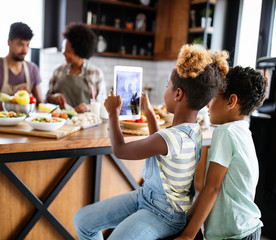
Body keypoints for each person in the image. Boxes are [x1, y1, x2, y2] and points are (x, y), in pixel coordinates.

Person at [73, 44, 229, 240]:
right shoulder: (193, 130)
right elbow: (162, 147)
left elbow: (120, 150)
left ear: (178, 94)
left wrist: (113, 113)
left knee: (95, 229)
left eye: (167, 87)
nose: (165, 91)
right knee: (82, 220)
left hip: (164, 215)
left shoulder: (173, 137)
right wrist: (148, 114)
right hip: (145, 197)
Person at [175, 66, 267, 240]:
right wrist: (187, 217)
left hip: (232, 234)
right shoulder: (243, 130)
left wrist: (188, 235)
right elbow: (211, 186)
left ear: (231, 101)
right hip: (248, 229)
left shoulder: (225, 132)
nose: (208, 104)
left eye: (214, 95)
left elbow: (212, 188)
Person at [0, 22, 43, 111]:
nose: (25, 50)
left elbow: (40, 104)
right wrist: (16, 99)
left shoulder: (33, 69)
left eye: (27, 45)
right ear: (9, 42)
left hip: (25, 124)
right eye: (20, 44)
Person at [45, 22, 106, 113]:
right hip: (61, 121)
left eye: (68, 51)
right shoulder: (58, 71)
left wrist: (88, 107)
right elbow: (47, 98)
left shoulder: (96, 74)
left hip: (86, 122)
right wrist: (54, 97)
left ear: (80, 51)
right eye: (63, 49)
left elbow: (102, 104)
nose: (63, 53)